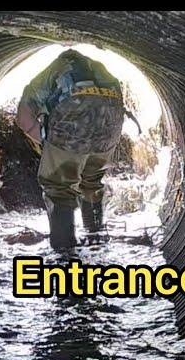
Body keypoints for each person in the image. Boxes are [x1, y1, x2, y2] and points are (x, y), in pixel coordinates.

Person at [16, 49, 127, 251]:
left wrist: (45, 142)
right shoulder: (99, 69)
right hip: (111, 121)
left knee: (59, 187)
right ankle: (96, 238)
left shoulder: (49, 74)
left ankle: (63, 252)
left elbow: (24, 119)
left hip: (74, 116)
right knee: (92, 180)